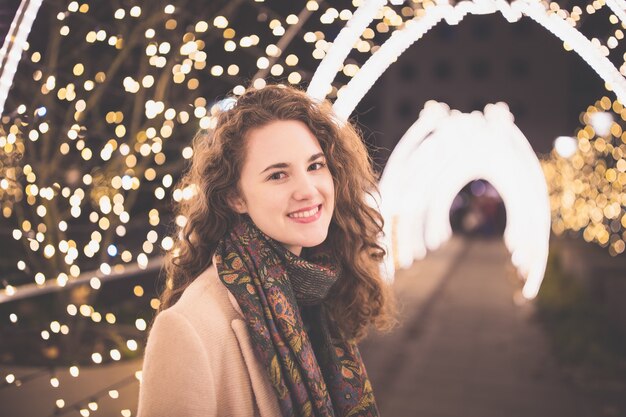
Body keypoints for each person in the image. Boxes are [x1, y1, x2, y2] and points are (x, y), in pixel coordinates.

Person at [137, 84, 396, 417]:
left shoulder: (317, 287)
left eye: (315, 166)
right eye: (278, 175)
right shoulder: (188, 329)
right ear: (235, 198)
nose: (307, 190)